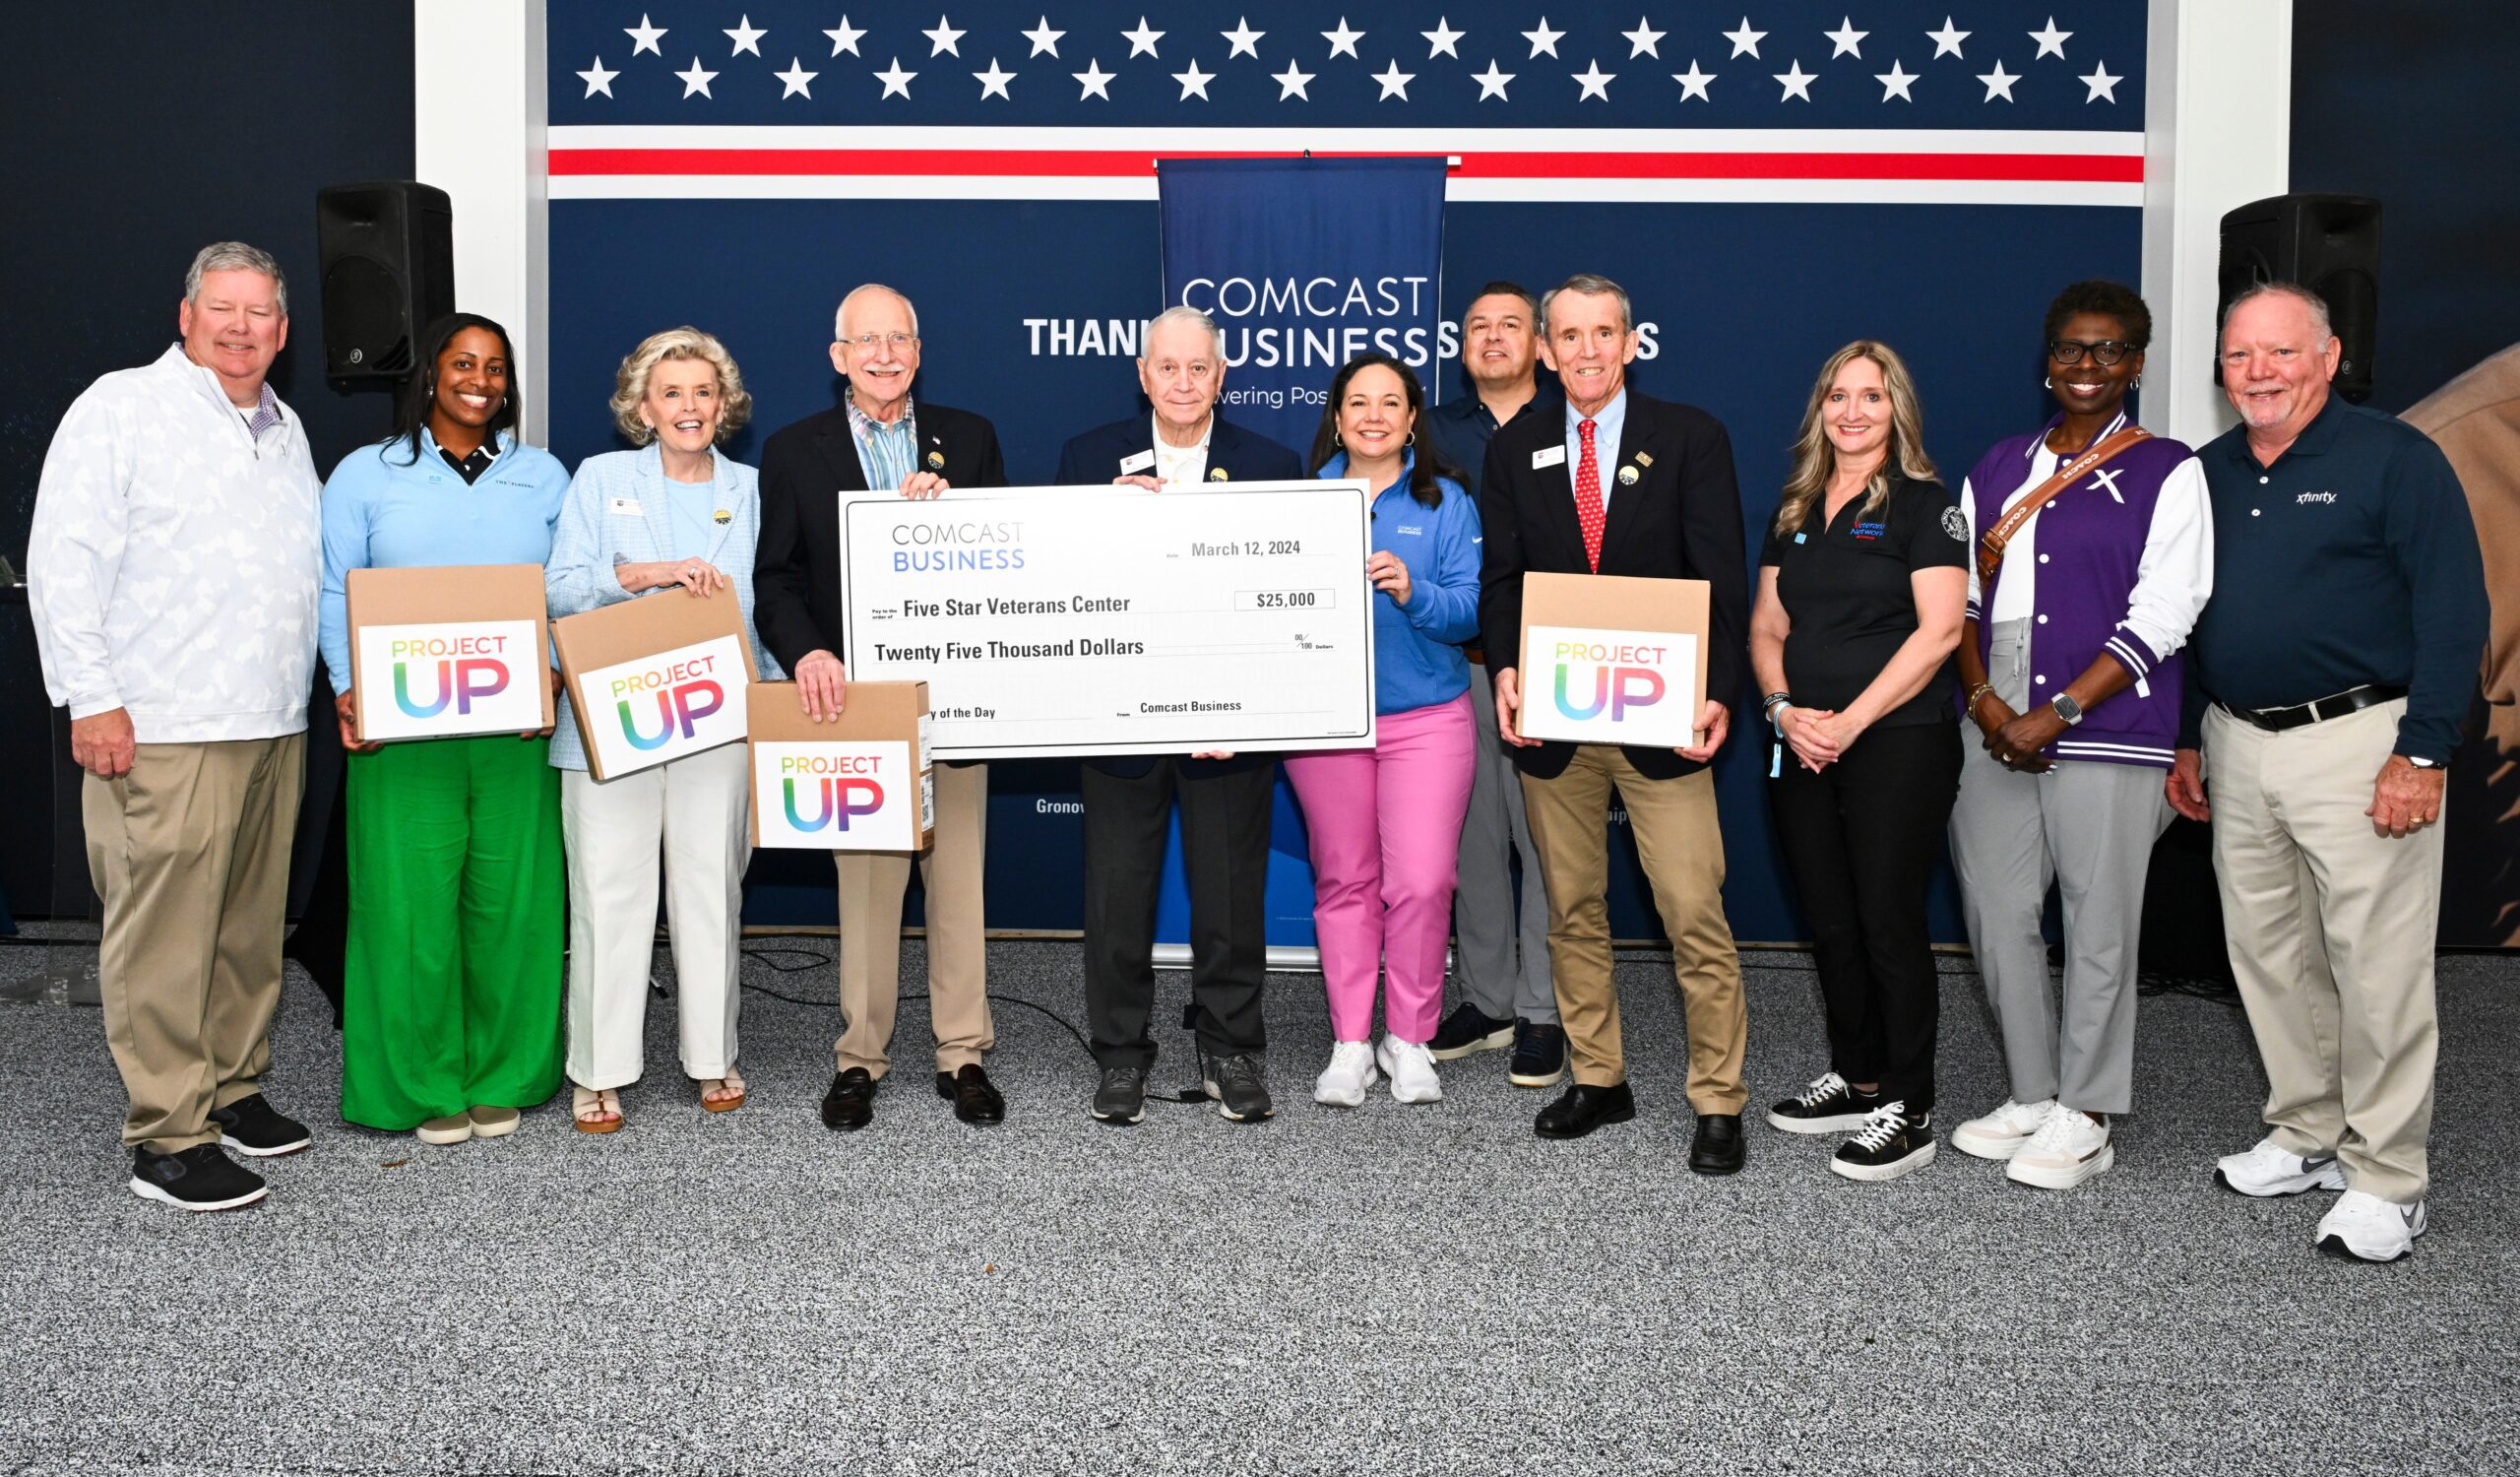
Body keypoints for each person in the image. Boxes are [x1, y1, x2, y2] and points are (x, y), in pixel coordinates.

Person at [2170, 282, 2488, 1262]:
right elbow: (2186, 612)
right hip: (2236, 739)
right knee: (2269, 954)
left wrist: (2423, 749)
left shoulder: (2394, 457)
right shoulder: (2207, 471)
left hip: (2361, 743)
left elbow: (2452, 610)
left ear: (2329, 356)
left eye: (2280, 352)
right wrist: (2190, 736)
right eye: (2239, 356)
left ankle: (2389, 1176)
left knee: (2376, 968)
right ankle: (2307, 1133)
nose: (2258, 373)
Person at [30, 241, 321, 1210]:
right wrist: (91, 695)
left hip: (270, 720)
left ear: (283, 331)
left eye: (261, 314)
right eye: (224, 309)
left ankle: (232, 1089)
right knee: (163, 937)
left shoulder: (286, 428)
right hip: (162, 723)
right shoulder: (120, 410)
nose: (242, 328)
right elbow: (65, 563)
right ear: (187, 314)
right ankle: (167, 1134)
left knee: (245, 931)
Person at [1943, 281, 2214, 1191]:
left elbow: (2170, 609)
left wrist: (2057, 711)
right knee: (1995, 899)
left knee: (2099, 914)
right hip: (1997, 706)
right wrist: (1986, 703)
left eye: (2108, 351)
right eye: (2070, 349)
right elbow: (1963, 605)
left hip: (2108, 706)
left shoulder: (2169, 468)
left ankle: (2088, 1110)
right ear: (2046, 359)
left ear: (2138, 362)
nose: (2087, 367)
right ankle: (2033, 1090)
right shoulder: (1999, 465)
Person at [1478, 274, 1751, 1169]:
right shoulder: (1515, 447)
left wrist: (1716, 689)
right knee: (1571, 910)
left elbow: (1721, 578)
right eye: (1570, 336)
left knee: (1690, 909)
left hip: (1664, 720)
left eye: (1605, 333)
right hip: (1558, 723)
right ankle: (1599, 1078)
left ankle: (1718, 1098)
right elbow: (1505, 582)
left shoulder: (1691, 438)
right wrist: (1511, 670)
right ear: (1547, 351)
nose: (1588, 350)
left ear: (1631, 342)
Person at [756, 284, 1011, 1132]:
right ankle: (860, 1057)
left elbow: (1013, 558)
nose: (884, 355)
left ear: (918, 348)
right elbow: (776, 580)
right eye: (866, 341)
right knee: (866, 888)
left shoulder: (968, 440)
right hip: (855, 704)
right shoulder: (795, 450)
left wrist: (960, 518)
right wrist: (808, 654)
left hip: (956, 697)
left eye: (898, 338)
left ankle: (963, 1052)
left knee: (958, 877)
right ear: (839, 357)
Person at [318, 312, 573, 1146]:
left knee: (514, 908)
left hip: (515, 733)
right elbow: (331, 591)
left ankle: (506, 1073)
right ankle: (418, 1084)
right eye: (463, 362)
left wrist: (558, 670)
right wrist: (349, 687)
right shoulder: (366, 474)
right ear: (430, 373)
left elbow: (568, 592)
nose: (481, 380)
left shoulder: (544, 476)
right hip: (401, 732)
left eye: (496, 368)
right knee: (406, 910)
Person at [1055, 304, 1305, 1125]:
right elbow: (1058, 587)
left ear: (1221, 376)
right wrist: (1103, 525)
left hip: (1229, 726)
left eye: (1200, 368)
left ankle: (1230, 1048)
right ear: (1143, 374)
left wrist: (1252, 703)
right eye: (1169, 367)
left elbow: (1288, 602)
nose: (1185, 382)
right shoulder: (1089, 458)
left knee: (1231, 898)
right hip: (1122, 717)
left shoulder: (1271, 463)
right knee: (1118, 896)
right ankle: (1121, 1055)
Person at [547, 327, 777, 1132]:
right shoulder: (600, 478)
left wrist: (782, 699)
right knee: (610, 894)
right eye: (671, 392)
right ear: (642, 406)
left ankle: (712, 1055)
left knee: (709, 888)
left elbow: (770, 607)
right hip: (612, 722)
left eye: (703, 391)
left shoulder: (752, 488)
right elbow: (563, 588)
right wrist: (653, 573)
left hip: (718, 724)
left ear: (725, 403)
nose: (689, 407)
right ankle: (599, 1069)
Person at [1750, 342, 1968, 1182]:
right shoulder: (1795, 505)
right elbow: (1768, 627)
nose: (1852, 412)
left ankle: (1908, 1106)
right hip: (1801, 740)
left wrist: (1851, 721)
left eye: (1871, 398)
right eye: (1837, 396)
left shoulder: (1924, 506)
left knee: (1886, 920)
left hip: (1898, 740)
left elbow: (1941, 631)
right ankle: (1858, 1073)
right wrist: (1782, 709)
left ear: (1896, 410)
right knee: (1830, 918)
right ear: (1819, 409)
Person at [1288, 352, 1482, 1107]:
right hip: (1325, 723)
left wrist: (1415, 591)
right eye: (1357, 403)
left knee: (1424, 881)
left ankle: (1408, 1037)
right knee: (1344, 880)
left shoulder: (1448, 502)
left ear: (1411, 419)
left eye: (1389, 403)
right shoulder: (1298, 501)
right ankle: (1349, 1043)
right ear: (1336, 418)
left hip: (1427, 718)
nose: (1373, 415)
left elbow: (1471, 610)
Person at [1419, 283, 1566, 1088]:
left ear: (1542, 345)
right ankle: (1488, 999)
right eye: (1478, 327)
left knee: (1548, 843)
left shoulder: (1572, 424)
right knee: (1472, 841)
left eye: (1511, 325)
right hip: (1462, 667)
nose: (1493, 337)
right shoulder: (1433, 432)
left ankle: (1545, 1011)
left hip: (1559, 667)